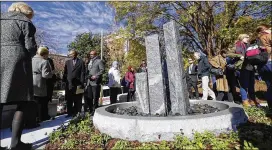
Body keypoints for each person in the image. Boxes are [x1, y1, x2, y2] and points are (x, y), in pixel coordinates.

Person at [0, 2, 36, 149]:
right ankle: (15, 144)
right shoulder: (25, 22)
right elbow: (31, 48)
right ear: (26, 13)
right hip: (17, 62)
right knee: (22, 102)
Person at [235, 34, 260, 107]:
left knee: (251, 85)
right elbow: (233, 53)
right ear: (242, 38)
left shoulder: (249, 45)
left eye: (248, 37)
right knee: (244, 85)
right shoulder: (238, 44)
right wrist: (240, 56)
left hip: (251, 67)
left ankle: (252, 99)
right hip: (243, 67)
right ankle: (244, 100)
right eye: (246, 37)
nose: (248, 38)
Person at [32, 46, 53, 121]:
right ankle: (41, 117)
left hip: (32, 81)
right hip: (40, 82)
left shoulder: (32, 59)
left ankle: (34, 117)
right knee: (41, 102)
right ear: (44, 54)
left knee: (34, 101)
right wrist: (51, 74)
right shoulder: (44, 61)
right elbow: (45, 75)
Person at [63, 50, 85, 117]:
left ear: (75, 54)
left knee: (78, 99)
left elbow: (82, 73)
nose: (70, 56)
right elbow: (65, 73)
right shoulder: (67, 62)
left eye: (71, 54)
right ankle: (69, 113)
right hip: (69, 83)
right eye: (69, 54)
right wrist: (64, 81)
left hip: (79, 83)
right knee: (69, 99)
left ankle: (77, 112)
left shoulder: (81, 62)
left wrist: (82, 82)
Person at [256, 24, 272, 115]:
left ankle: (270, 108)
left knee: (269, 86)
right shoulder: (267, 35)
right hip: (270, 62)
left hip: (261, 66)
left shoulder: (257, 40)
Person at [85, 51, 105, 115]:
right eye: (90, 54)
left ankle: (95, 110)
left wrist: (96, 76)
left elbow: (102, 70)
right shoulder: (89, 61)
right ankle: (90, 110)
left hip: (95, 82)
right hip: (89, 82)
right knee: (89, 97)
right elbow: (88, 70)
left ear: (95, 54)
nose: (91, 55)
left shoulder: (99, 61)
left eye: (92, 54)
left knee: (95, 97)